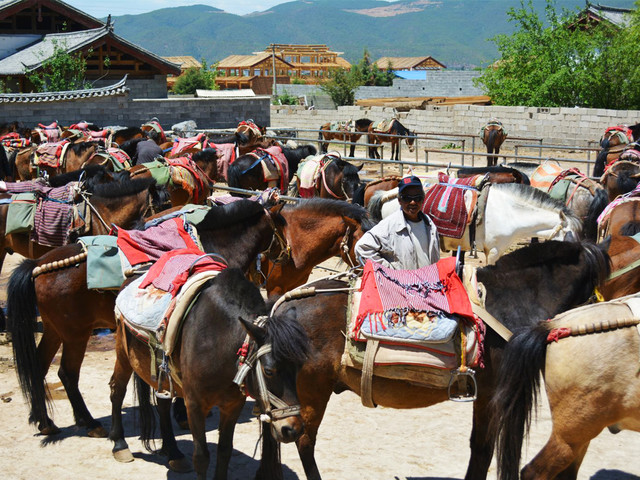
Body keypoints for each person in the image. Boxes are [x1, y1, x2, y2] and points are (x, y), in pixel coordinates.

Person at [355, 175, 439, 269]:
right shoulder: (389, 225)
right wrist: (389, 270)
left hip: (428, 281)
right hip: (404, 283)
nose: (413, 202)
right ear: (399, 200)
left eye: (417, 198)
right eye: (407, 198)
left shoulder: (429, 225)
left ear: (423, 199)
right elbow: (362, 248)